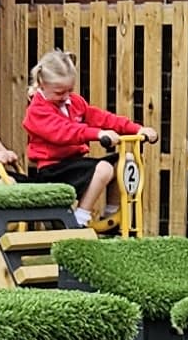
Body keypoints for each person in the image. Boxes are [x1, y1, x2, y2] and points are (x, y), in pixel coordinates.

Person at [21, 48, 145, 225]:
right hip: (53, 169)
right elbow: (64, 131)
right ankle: (80, 219)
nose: (65, 97)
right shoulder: (37, 111)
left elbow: (101, 117)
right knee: (103, 169)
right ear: (41, 84)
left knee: (125, 161)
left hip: (74, 164)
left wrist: (136, 129)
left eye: (69, 90)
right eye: (59, 92)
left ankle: (110, 217)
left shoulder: (74, 102)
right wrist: (98, 134)